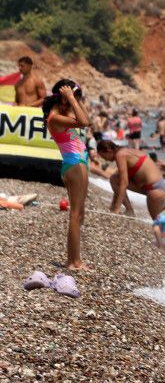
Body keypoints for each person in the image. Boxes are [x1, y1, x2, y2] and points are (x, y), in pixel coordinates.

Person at [42, 80, 91, 270]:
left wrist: (75, 97)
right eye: (70, 99)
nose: (73, 103)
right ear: (62, 99)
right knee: (76, 213)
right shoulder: (54, 118)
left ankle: (75, 259)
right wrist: (71, 97)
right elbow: (84, 122)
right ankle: (73, 262)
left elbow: (87, 120)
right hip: (73, 165)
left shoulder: (62, 114)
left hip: (78, 164)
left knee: (80, 214)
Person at [94, 139, 165, 219]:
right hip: (154, 188)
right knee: (114, 179)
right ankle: (129, 211)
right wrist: (112, 206)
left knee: (160, 224)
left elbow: (124, 183)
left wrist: (116, 209)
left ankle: (129, 210)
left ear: (109, 150)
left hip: (155, 191)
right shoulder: (126, 151)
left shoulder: (120, 155)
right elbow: (118, 185)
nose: (105, 159)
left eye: (104, 156)